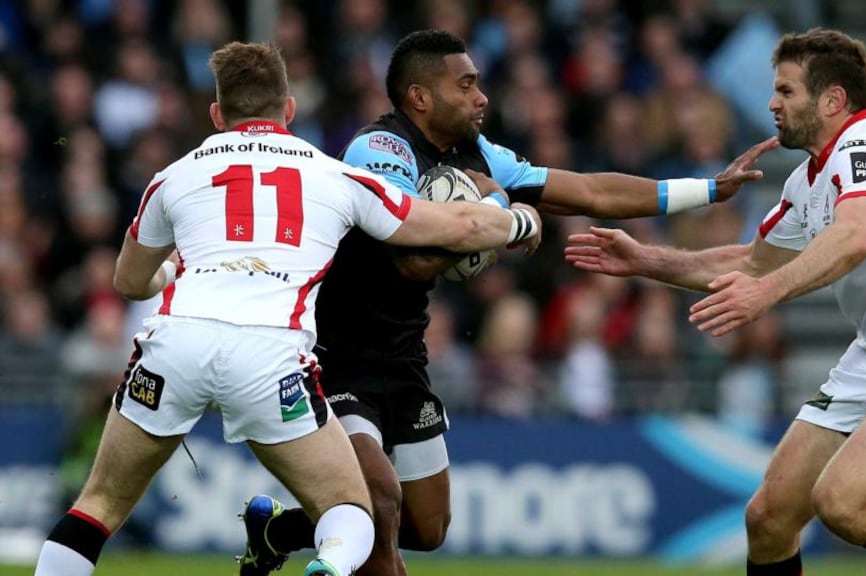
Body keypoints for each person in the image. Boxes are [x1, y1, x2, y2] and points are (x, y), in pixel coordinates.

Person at [237, 29, 778, 576]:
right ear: (420, 96)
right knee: (380, 503)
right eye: (465, 85)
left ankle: (275, 531)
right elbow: (408, 260)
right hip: (335, 356)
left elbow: (591, 192)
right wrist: (498, 212)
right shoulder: (379, 151)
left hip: (403, 357)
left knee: (427, 527)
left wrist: (709, 188)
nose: (481, 97)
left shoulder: (477, 155)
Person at [32, 41, 543, 576]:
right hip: (269, 356)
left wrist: (170, 272)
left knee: (96, 507)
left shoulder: (172, 175)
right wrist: (515, 217)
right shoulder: (336, 176)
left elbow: (128, 281)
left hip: (176, 345)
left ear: (217, 115)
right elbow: (461, 225)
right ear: (290, 109)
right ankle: (330, 564)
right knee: (350, 511)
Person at [564, 28, 866, 576]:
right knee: (769, 517)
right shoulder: (807, 181)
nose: (772, 102)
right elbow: (752, 263)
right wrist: (645, 260)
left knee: (841, 502)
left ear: (833, 100)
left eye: (786, 91)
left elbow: (853, 238)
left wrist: (766, 293)